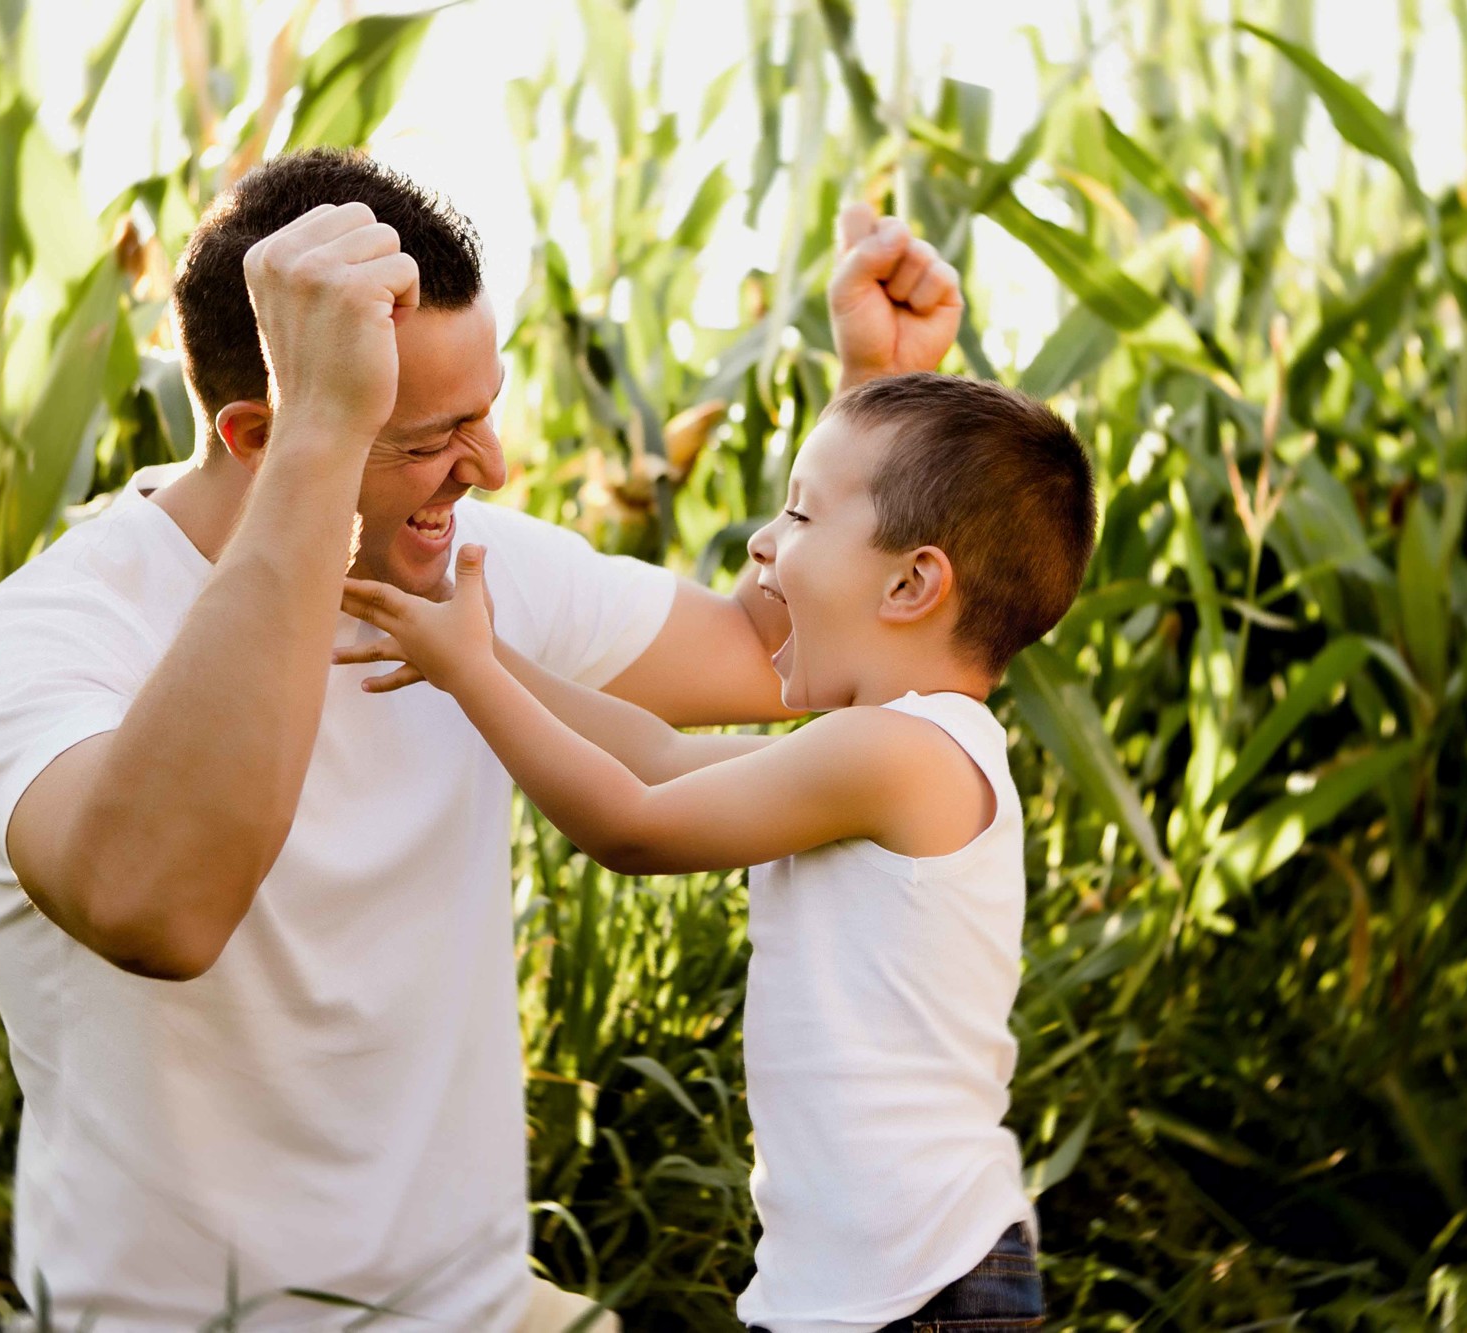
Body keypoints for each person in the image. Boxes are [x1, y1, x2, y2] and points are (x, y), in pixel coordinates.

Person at [0, 148, 964, 1330]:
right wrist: (324, 446)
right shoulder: (48, 634)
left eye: (485, 413)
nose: (492, 468)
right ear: (261, 433)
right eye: (431, 437)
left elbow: (764, 658)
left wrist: (878, 402)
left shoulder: (471, 567)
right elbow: (159, 908)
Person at [335, 371, 1098, 1332]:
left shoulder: (898, 754)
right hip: (871, 1286)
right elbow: (655, 756)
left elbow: (633, 825)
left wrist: (472, 676)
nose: (760, 542)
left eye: (800, 514)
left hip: (921, 1291)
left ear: (911, 583)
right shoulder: (889, 752)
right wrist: (479, 653)